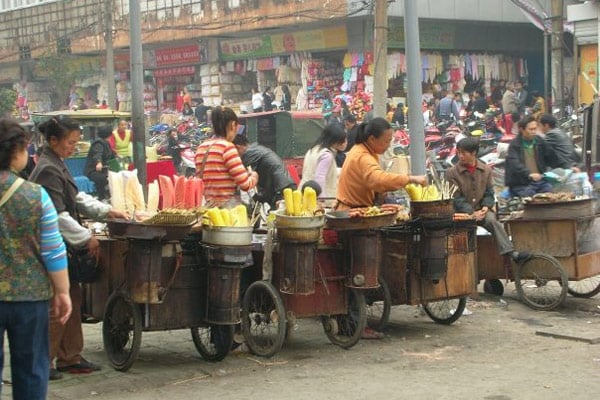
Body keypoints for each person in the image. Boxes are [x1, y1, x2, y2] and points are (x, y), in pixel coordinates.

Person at [29, 116, 128, 380]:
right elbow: (58, 216)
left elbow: (76, 198)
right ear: (53, 141)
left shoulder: (55, 164)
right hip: (52, 248)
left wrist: (107, 210)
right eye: (70, 142)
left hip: (61, 248)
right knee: (58, 304)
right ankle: (45, 361)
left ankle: (69, 356)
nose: (73, 147)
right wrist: (86, 237)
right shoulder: (48, 168)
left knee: (72, 299)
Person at [0, 118, 72, 400]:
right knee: (31, 369)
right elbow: (53, 249)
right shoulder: (34, 195)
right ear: (15, 151)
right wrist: (63, 291)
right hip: (29, 299)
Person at [446, 137, 530, 264]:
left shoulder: (486, 170)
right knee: (467, 230)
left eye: (463, 153)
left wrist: (486, 206)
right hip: (462, 212)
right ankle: (467, 262)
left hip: (482, 210)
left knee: (493, 221)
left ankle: (511, 253)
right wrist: (472, 213)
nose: (460, 156)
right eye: (458, 152)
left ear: (473, 153)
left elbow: (489, 192)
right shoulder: (452, 173)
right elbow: (456, 198)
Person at [336, 117, 427, 210]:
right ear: (372, 139)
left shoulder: (363, 150)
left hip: (357, 210)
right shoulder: (362, 156)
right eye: (387, 141)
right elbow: (379, 179)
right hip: (352, 214)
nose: (389, 145)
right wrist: (410, 179)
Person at [194, 106, 258, 206]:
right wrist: (254, 176)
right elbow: (245, 185)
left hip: (207, 208)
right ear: (233, 125)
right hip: (226, 210)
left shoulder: (201, 148)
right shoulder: (227, 148)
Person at [233, 134, 296, 209]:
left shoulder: (248, 153)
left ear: (237, 147)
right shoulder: (255, 149)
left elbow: (240, 177)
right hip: (282, 187)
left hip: (282, 190)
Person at [505, 115, 553, 197]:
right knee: (529, 196)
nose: (534, 132)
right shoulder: (515, 144)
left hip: (540, 181)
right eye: (531, 129)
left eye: (535, 129)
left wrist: (569, 166)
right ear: (521, 129)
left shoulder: (539, 141)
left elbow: (551, 156)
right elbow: (515, 164)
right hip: (521, 183)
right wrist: (529, 174)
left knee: (549, 193)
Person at [299, 124, 347, 200]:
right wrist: (322, 198)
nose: (343, 144)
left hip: (305, 192)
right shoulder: (326, 155)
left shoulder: (314, 149)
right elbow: (320, 177)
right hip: (319, 196)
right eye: (340, 141)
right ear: (334, 141)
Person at [84, 126, 116, 200]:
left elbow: (111, 155)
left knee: (115, 176)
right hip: (93, 171)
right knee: (104, 179)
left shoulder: (106, 143)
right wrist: (98, 162)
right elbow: (97, 154)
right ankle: (102, 198)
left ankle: (110, 197)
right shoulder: (98, 143)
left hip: (103, 170)